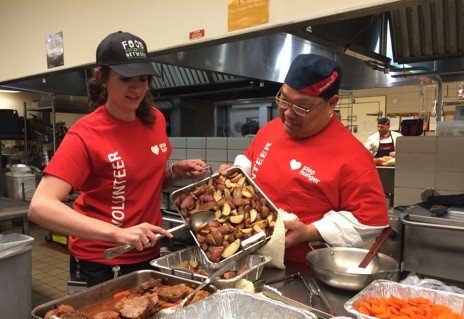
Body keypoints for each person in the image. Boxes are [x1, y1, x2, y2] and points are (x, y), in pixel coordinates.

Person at [29, 31, 207, 286]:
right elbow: (40, 207)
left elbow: (143, 185)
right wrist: (118, 234)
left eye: (143, 79)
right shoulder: (86, 133)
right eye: (126, 79)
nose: (137, 89)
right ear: (103, 78)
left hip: (147, 250)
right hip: (101, 259)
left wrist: (175, 172)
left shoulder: (155, 120)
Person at [220, 54, 389, 263]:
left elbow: (370, 220)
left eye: (302, 106)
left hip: (300, 270)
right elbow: (249, 161)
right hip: (248, 256)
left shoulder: (353, 156)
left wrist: (311, 231)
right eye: (284, 100)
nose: (288, 113)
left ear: (332, 103)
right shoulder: (270, 130)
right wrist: (235, 173)